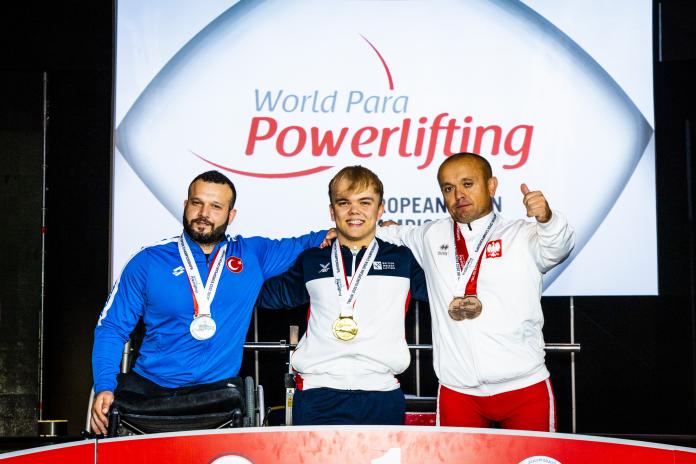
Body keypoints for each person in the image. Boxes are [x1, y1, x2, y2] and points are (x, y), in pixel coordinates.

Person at [90, 170, 333, 435]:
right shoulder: (147, 261)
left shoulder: (253, 255)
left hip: (216, 396)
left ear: (231, 215)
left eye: (216, 206)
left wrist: (357, 230)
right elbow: (112, 328)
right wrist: (104, 386)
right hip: (152, 392)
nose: (204, 213)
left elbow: (312, 240)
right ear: (185, 206)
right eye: (197, 203)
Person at [376, 152, 575, 431]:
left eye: (467, 184)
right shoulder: (430, 235)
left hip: (524, 388)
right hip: (459, 393)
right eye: (448, 188)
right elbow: (386, 233)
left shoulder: (522, 234)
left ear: (491, 186)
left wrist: (547, 218)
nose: (458, 194)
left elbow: (559, 246)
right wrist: (338, 232)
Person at [256, 166, 428, 425]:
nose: (354, 211)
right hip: (317, 394)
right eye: (344, 202)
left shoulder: (403, 258)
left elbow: (448, 290)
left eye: (365, 202)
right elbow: (264, 296)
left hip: (381, 394)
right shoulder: (312, 259)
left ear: (380, 210)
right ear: (332, 210)